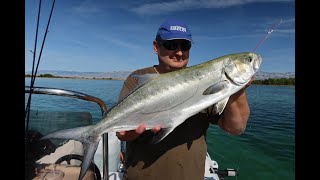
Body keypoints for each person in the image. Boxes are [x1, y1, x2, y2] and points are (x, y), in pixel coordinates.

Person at [116, 18, 253, 180]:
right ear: (156, 47)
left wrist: (237, 90)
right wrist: (128, 134)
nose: (179, 52)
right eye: (171, 45)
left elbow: (235, 128)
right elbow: (121, 133)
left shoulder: (206, 81)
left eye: (185, 46)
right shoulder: (137, 79)